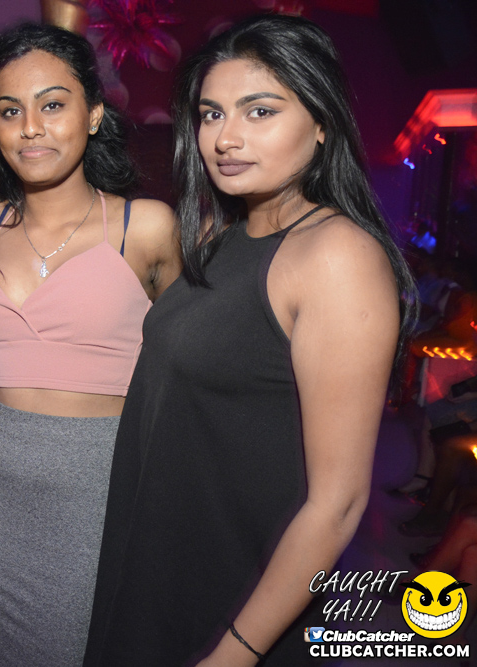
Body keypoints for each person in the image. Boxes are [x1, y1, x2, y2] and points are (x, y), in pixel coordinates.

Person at [83, 15, 416, 666]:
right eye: (211, 114)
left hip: (239, 598)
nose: (226, 137)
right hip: (164, 565)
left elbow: (338, 503)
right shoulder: (227, 238)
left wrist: (233, 653)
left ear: (321, 123)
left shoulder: (335, 255)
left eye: (260, 111)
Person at [0, 23, 180, 666]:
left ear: (94, 113)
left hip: (96, 495)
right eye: (10, 110)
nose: (31, 128)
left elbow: (188, 366)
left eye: (52, 104)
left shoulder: (146, 227)